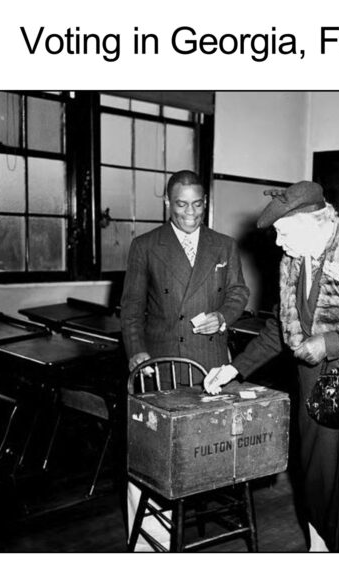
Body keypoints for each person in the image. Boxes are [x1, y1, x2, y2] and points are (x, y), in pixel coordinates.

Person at [203, 181, 339, 552]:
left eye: (283, 232)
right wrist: (234, 369)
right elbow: (280, 329)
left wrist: (330, 343)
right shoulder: (293, 261)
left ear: (314, 222)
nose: (277, 242)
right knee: (318, 484)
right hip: (319, 395)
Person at [119, 170, 250, 551]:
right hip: (161, 362)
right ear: (166, 203)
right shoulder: (145, 245)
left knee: (212, 451)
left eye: (197, 204)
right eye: (180, 204)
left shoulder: (224, 245)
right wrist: (137, 351)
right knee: (153, 455)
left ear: (205, 202)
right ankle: (151, 546)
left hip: (210, 364)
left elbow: (239, 292)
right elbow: (131, 308)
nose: (189, 212)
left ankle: (199, 522)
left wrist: (223, 316)